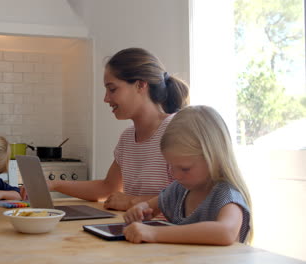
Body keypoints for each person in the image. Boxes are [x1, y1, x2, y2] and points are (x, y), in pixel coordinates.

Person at [45, 48, 189, 211]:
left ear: (140, 85)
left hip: (166, 233)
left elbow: (189, 197)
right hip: (134, 231)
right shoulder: (127, 137)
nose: (106, 98)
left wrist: (132, 201)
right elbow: (108, 188)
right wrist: (53, 184)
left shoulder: (176, 131)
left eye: (112, 89)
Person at [123, 105, 253, 245]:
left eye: (185, 169)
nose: (176, 175)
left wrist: (154, 233)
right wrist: (141, 209)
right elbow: (150, 206)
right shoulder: (179, 190)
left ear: (213, 158)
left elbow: (225, 232)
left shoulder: (226, 194)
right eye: (171, 166)